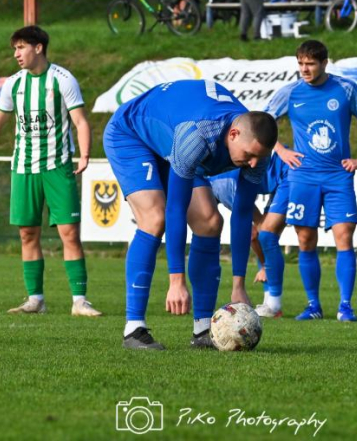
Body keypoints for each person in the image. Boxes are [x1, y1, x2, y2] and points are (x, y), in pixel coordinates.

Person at [103, 79, 277, 350]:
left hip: (172, 140)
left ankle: (203, 329)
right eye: (249, 155)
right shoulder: (197, 135)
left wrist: (238, 285)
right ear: (233, 135)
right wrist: (176, 281)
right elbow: (176, 207)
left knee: (209, 222)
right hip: (132, 134)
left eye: (259, 158)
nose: (253, 163)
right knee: (155, 217)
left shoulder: (257, 152)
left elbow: (243, 214)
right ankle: (133, 328)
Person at [0, 26, 101, 318]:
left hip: (57, 166)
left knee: (69, 233)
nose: (16, 54)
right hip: (23, 167)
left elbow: (80, 121)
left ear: (38, 48)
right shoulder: (13, 84)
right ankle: (35, 300)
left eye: (21, 47)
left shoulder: (63, 80)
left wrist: (85, 154)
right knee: (28, 234)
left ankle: (80, 301)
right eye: (14, 49)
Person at [266, 40, 357, 321]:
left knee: (345, 236)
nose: (305, 69)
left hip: (338, 176)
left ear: (324, 63)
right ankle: (313, 305)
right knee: (305, 239)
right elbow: (262, 123)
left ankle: (345, 306)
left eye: (310, 64)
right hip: (302, 177)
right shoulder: (290, 92)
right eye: (301, 64)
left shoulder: (345, 89)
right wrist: (281, 150)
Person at [208, 152, 290, 317]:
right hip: (277, 172)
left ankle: (273, 305)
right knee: (264, 236)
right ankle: (270, 303)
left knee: (265, 235)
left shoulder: (222, 187)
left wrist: (265, 265)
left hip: (288, 172)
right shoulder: (217, 180)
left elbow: (254, 230)